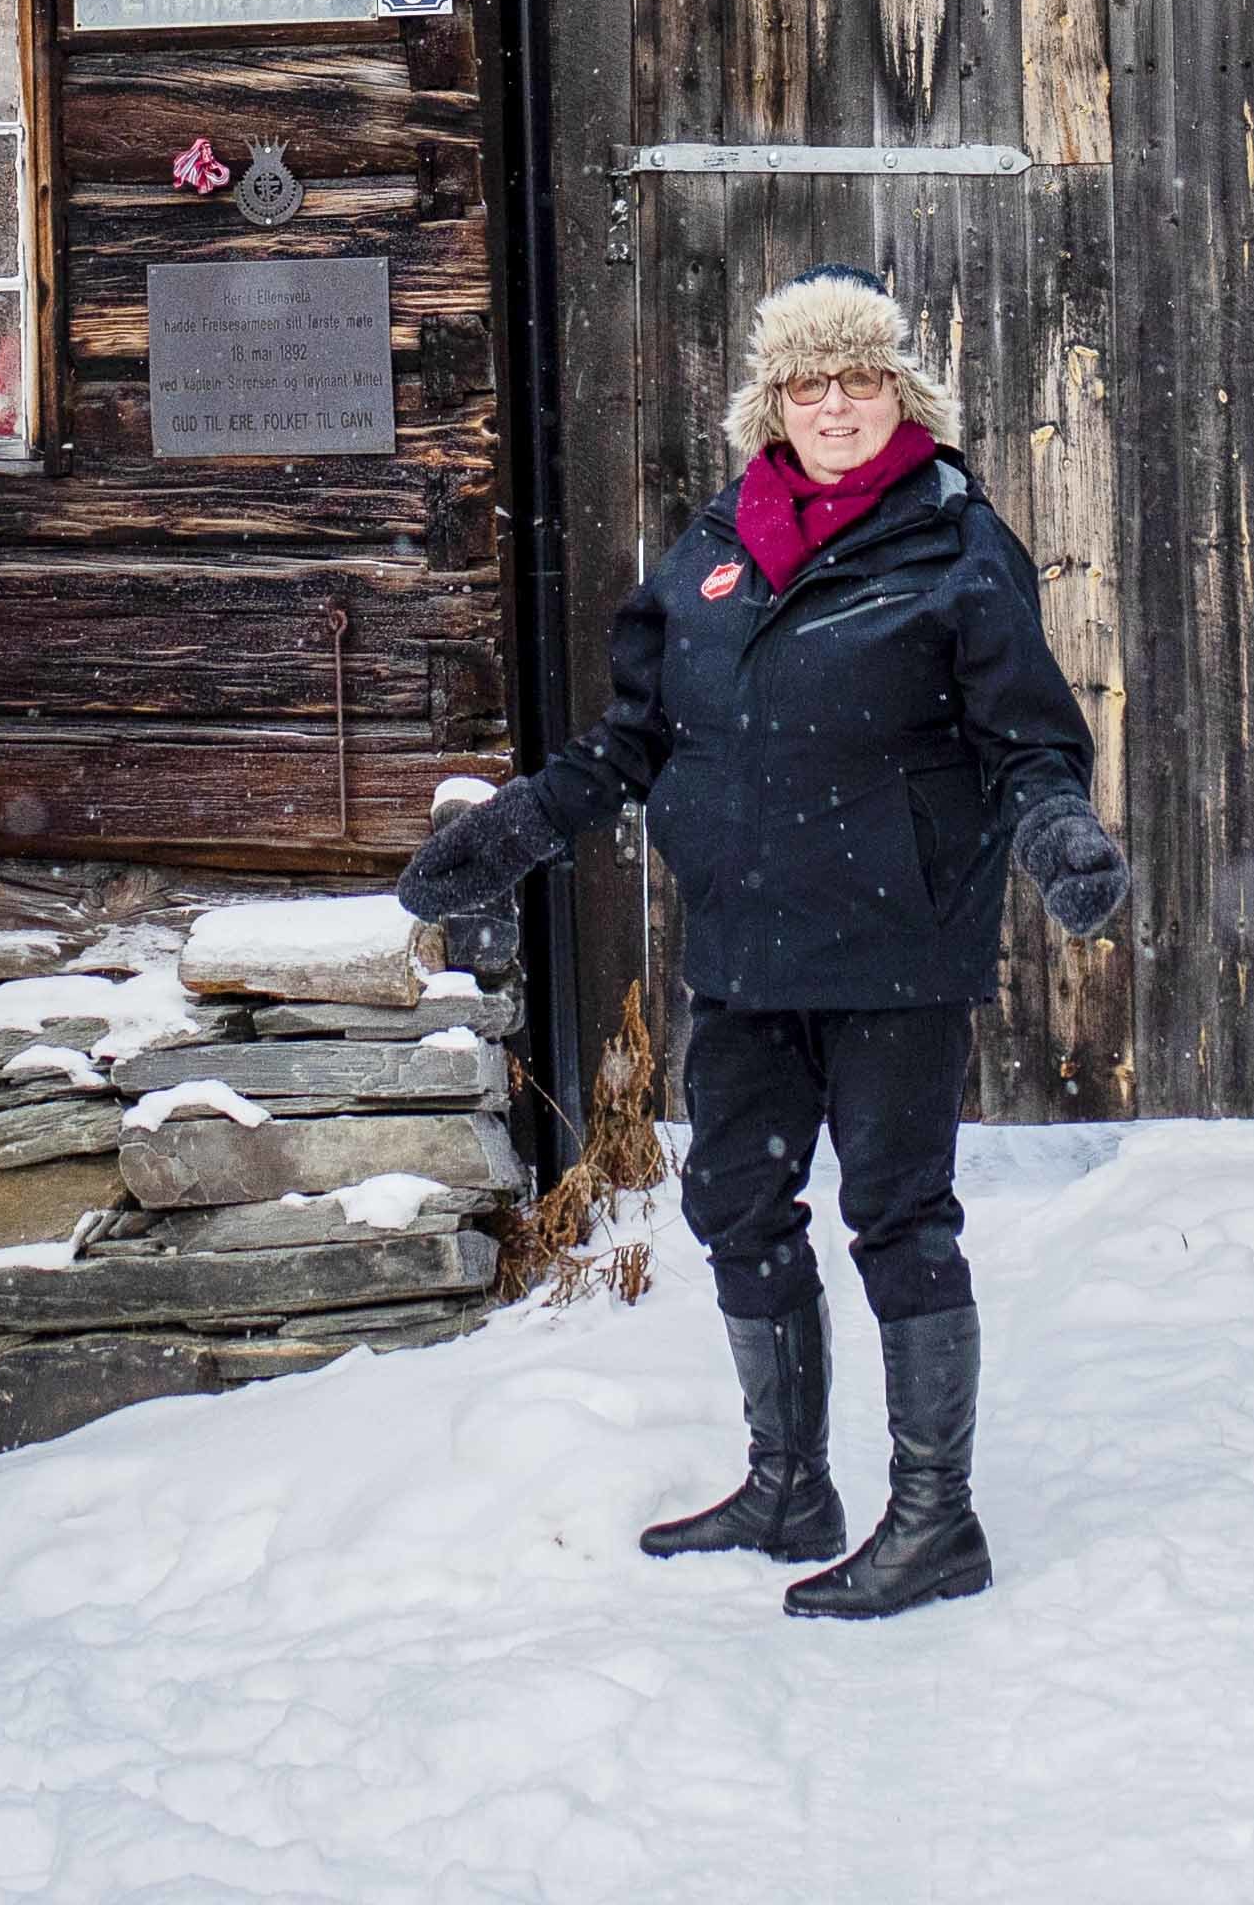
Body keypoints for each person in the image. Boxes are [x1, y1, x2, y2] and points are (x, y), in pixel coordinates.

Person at [397, 265, 1127, 1621]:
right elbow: (638, 734)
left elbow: (1027, 739)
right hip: (744, 940)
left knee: (899, 1218)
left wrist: (1059, 837)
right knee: (735, 1200)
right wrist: (519, 828)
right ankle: (790, 1483)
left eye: (857, 380)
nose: (834, 404)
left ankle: (936, 1522)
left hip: (896, 942)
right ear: (771, 402)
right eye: (809, 383)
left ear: (899, 393)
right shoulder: (718, 543)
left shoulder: (957, 542)